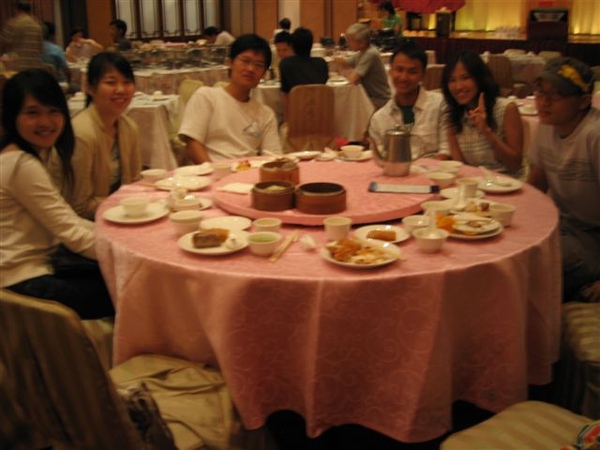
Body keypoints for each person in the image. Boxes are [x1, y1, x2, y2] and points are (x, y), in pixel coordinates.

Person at [0, 69, 114, 320]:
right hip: (23, 280)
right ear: (12, 116)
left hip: (38, 266)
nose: (45, 122)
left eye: (53, 111)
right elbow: (72, 234)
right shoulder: (20, 165)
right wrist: (126, 250)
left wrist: (115, 237)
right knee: (131, 287)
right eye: (32, 113)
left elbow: (67, 220)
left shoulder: (29, 154)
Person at [527, 57, 600, 302]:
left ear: (584, 100)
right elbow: (537, 181)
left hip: (593, 238)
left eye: (556, 94)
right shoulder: (547, 125)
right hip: (560, 226)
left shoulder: (594, 135)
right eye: (540, 91)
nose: (543, 101)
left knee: (529, 268)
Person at [49, 52, 141, 220]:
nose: (121, 89)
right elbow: (79, 207)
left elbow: (134, 184)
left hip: (120, 215)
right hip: (82, 224)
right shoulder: (82, 134)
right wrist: (125, 203)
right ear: (90, 88)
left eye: (127, 82)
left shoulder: (129, 127)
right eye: (111, 82)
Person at [178, 34, 282, 163]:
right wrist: (215, 171)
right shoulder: (206, 97)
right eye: (245, 61)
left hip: (247, 172)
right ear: (230, 62)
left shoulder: (265, 114)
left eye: (258, 65)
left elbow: (273, 157)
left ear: (264, 74)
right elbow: (192, 144)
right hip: (210, 171)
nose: (251, 69)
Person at [441, 49, 523, 176]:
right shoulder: (454, 117)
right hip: (472, 183)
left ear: (479, 78)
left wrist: (486, 131)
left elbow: (515, 165)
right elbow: (460, 167)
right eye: (452, 80)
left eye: (465, 78)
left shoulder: (507, 109)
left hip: (507, 182)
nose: (458, 86)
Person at [369, 41, 449, 159]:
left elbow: (446, 152)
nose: (404, 77)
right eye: (399, 70)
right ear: (390, 71)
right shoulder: (379, 119)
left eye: (412, 72)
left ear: (423, 75)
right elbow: (378, 158)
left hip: (434, 170)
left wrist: (420, 168)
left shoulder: (440, 105)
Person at [334, 23, 390, 110]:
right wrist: (336, 56)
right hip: (369, 97)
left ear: (362, 43)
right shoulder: (362, 52)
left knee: (344, 107)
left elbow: (353, 79)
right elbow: (346, 63)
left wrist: (346, 71)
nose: (347, 43)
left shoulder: (370, 54)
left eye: (350, 40)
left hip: (379, 100)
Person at [279, 27, 329, 122]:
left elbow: (285, 96)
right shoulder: (321, 63)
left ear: (292, 46)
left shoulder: (286, 64)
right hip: (322, 120)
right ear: (311, 45)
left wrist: (287, 122)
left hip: (296, 121)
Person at [0, 0, 43, 71]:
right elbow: (40, 47)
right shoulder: (37, 24)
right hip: (35, 67)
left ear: (17, 10)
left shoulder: (13, 23)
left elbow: (3, 42)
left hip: (18, 68)